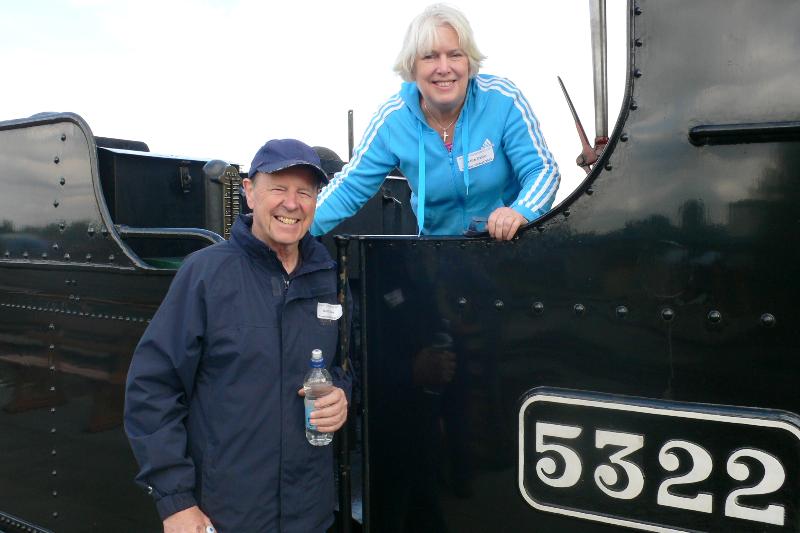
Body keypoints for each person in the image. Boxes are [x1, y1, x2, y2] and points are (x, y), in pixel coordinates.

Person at [124, 139, 351, 533]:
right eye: (278, 188)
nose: (291, 203)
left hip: (310, 515)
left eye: (304, 192)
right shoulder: (206, 275)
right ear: (249, 192)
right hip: (228, 516)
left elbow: (349, 364)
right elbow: (152, 388)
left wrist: (344, 393)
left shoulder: (333, 279)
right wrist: (175, 502)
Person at [311, 3, 560, 241]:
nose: (444, 68)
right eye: (430, 57)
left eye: (454, 55)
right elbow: (348, 188)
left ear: (469, 61)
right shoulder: (392, 121)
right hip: (437, 257)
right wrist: (292, 228)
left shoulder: (502, 100)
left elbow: (542, 170)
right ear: (412, 66)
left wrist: (521, 211)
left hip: (509, 246)